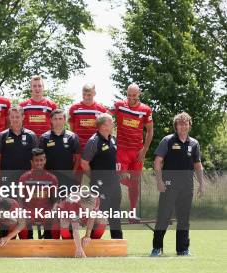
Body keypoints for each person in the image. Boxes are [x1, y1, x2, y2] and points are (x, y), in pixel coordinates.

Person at [151, 112, 203, 257]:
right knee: (163, 217)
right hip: (168, 185)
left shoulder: (194, 143)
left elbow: (198, 165)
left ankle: (183, 249)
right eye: (180, 123)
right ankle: (156, 248)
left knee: (184, 219)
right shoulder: (167, 140)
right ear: (176, 126)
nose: (183, 126)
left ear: (189, 125)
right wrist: (159, 182)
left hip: (187, 186)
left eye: (186, 123)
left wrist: (202, 184)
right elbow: (157, 162)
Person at [112, 83, 153, 218]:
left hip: (137, 152)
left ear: (139, 94)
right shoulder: (119, 105)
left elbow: (150, 130)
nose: (131, 98)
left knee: (135, 183)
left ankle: (132, 213)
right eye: (129, 95)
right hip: (122, 150)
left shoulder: (146, 110)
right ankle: (111, 210)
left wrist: (144, 150)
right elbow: (106, 115)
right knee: (119, 177)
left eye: (134, 96)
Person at [81, 113, 122, 239]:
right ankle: (92, 241)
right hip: (100, 186)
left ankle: (117, 240)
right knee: (99, 215)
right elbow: (84, 163)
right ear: (104, 125)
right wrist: (94, 177)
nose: (113, 124)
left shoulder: (113, 139)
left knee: (115, 213)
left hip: (115, 184)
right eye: (111, 122)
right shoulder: (94, 141)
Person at [18, 148, 59, 239]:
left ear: (45, 161)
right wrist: (21, 210)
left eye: (41, 160)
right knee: (20, 219)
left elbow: (55, 199)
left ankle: (50, 242)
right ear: (31, 162)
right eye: (36, 160)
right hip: (29, 211)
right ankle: (27, 242)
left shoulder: (52, 178)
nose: (39, 163)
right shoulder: (24, 177)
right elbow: (20, 198)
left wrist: (54, 210)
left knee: (56, 219)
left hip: (46, 210)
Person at [0, 106, 38, 186]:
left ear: (23, 117)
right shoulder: (2, 136)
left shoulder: (31, 135)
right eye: (12, 117)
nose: (14, 119)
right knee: (7, 199)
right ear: (9, 118)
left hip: (26, 177)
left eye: (17, 117)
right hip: (7, 178)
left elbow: (35, 159)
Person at [55, 192, 107, 258]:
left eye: (91, 209)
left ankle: (92, 241)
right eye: (87, 209)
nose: (90, 211)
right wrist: (79, 249)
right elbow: (75, 229)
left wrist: (87, 236)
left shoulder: (96, 199)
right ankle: (67, 241)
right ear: (81, 203)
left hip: (81, 212)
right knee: (64, 224)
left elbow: (92, 216)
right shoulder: (73, 203)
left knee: (103, 220)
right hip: (66, 211)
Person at [39, 109, 81, 188]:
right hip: (49, 177)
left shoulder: (72, 137)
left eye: (60, 119)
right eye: (55, 119)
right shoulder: (44, 137)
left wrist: (73, 172)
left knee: (67, 199)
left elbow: (77, 158)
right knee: (51, 199)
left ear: (64, 120)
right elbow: (40, 159)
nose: (58, 121)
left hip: (67, 177)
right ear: (51, 120)